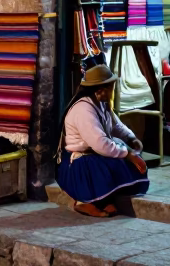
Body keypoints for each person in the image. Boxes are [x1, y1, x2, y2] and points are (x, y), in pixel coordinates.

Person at [57, 64, 150, 217]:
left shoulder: (101, 104)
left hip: (94, 154)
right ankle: (84, 201)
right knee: (113, 163)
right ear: (100, 90)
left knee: (126, 164)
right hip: (80, 163)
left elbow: (117, 126)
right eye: (111, 88)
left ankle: (103, 200)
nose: (113, 91)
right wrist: (128, 154)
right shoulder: (83, 109)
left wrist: (131, 139)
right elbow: (100, 144)